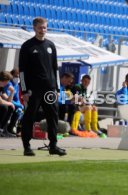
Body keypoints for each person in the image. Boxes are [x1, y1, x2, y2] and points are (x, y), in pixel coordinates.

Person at [19, 17, 66, 156]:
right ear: (34, 28)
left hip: (50, 89)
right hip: (34, 90)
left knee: (53, 116)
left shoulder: (51, 45)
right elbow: (22, 70)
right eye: (40, 28)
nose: (42, 30)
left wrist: (57, 89)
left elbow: (55, 69)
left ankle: (53, 145)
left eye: (45, 27)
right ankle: (27, 146)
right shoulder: (27, 46)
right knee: (30, 116)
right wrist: (24, 90)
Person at [4, 68, 24, 135]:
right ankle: (3, 128)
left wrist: (20, 105)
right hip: (6, 101)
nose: (17, 78)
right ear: (11, 75)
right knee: (11, 108)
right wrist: (17, 105)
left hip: (12, 102)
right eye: (16, 76)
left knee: (19, 110)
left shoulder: (17, 85)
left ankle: (10, 128)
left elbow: (17, 98)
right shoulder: (8, 83)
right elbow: (8, 98)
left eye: (18, 77)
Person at [0, 71, 15, 137]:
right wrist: (10, 104)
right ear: (4, 80)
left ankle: (2, 129)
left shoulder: (1, 87)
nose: (7, 83)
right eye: (7, 81)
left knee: (10, 107)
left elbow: (8, 100)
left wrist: (12, 92)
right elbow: (1, 101)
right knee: (4, 107)